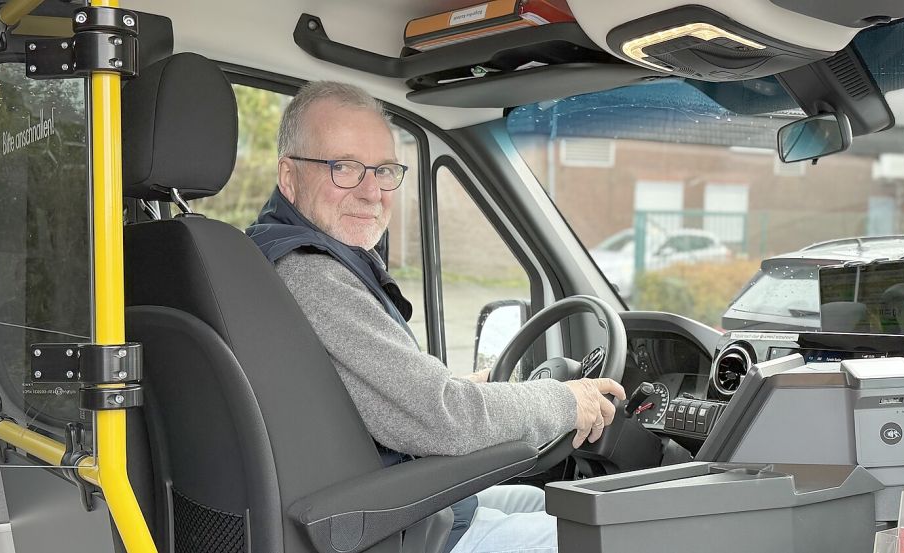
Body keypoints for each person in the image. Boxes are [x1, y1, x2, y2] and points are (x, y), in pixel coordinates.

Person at [246, 81, 625, 553]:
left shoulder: (267, 255)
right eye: (343, 167)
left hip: (375, 498)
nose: (371, 192)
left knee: (537, 502)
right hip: (387, 529)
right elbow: (442, 419)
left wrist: (467, 391)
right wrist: (566, 401)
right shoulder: (312, 273)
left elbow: (370, 398)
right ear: (289, 176)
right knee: (618, 536)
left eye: (383, 170)